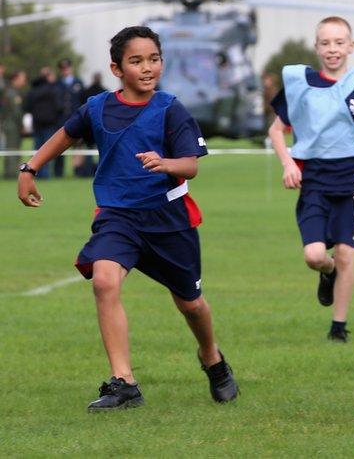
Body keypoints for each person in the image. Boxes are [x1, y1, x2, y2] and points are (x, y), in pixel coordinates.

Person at [17, 26, 238, 412]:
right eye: (136, 61)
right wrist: (30, 167)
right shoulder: (98, 106)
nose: (147, 67)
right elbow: (66, 134)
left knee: (191, 305)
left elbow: (190, 166)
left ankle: (211, 358)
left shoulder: (171, 108)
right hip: (118, 217)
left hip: (169, 221)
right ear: (117, 68)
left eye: (154, 59)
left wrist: (165, 163)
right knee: (104, 280)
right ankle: (125, 383)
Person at [267, 16, 354, 343]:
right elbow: (276, 131)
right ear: (316, 46)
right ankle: (327, 272)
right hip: (314, 184)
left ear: (351, 46)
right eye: (325, 43)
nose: (332, 49)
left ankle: (338, 327)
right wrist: (288, 163)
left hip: (352, 184)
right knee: (314, 256)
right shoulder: (299, 84)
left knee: (347, 254)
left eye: (339, 42)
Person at [23, 67, 62, 179]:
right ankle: (46, 174)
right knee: (48, 150)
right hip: (50, 124)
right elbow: (59, 106)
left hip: (37, 124)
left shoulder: (33, 91)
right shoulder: (53, 90)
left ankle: (36, 173)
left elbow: (27, 107)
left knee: (37, 150)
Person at [72, 71, 105, 177]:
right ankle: (99, 170)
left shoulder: (86, 92)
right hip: (101, 126)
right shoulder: (105, 92)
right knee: (101, 150)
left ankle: (88, 170)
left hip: (88, 126)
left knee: (88, 149)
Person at [2, 69, 28, 179]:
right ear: (15, 79)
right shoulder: (12, 93)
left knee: (13, 149)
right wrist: (22, 125)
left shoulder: (13, 92)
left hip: (12, 125)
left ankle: (11, 173)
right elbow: (16, 112)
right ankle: (11, 174)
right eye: (22, 79)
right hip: (12, 125)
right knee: (12, 150)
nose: (24, 81)